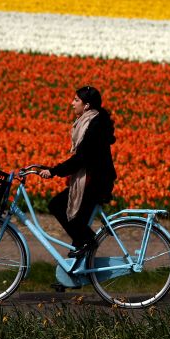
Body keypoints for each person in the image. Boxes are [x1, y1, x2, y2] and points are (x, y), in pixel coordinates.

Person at [39, 85, 116, 258]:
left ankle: (89, 241)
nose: (72, 103)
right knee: (76, 230)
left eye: (76, 100)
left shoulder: (94, 126)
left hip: (96, 182)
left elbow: (82, 158)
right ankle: (70, 276)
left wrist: (54, 171)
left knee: (57, 205)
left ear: (86, 105)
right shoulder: (90, 121)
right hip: (92, 180)